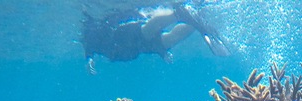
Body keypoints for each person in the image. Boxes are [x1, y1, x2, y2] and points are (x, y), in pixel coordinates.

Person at [82, 2, 229, 71]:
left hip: (123, 37)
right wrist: (162, 53)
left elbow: (89, 40)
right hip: (138, 49)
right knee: (168, 41)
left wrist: (89, 58)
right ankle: (194, 19)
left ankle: (178, 13)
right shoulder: (100, 46)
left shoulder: (94, 39)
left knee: (146, 30)